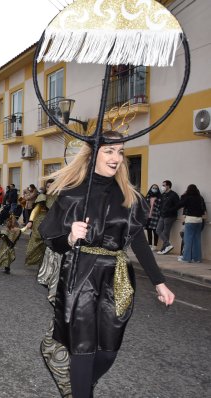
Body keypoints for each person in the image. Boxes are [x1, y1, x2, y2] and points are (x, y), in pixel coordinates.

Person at [38, 131, 175, 398]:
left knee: (108, 351)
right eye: (109, 151)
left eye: (120, 152)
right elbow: (53, 241)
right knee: (83, 347)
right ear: (93, 154)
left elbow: (139, 243)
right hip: (80, 274)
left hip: (117, 276)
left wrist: (160, 282)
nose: (116, 158)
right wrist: (69, 236)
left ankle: (81, 386)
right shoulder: (72, 193)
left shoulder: (129, 197)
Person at [174, 184, 206, 263]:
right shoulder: (200, 198)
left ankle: (186, 258)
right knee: (197, 240)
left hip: (190, 220)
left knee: (187, 240)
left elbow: (179, 204)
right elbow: (204, 209)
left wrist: (183, 196)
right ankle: (197, 259)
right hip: (199, 221)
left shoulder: (188, 198)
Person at [23, 193, 49, 268]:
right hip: (39, 221)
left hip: (51, 221)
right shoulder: (42, 197)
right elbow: (35, 210)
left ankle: (45, 260)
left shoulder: (56, 196)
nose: (49, 187)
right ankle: (34, 258)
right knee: (37, 239)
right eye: (48, 186)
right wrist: (30, 221)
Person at [155, 179, 180, 255]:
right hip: (162, 215)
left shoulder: (174, 195)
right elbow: (161, 205)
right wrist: (160, 211)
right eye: (162, 185)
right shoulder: (163, 195)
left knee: (166, 232)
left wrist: (169, 210)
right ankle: (168, 245)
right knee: (158, 230)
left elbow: (177, 205)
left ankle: (164, 249)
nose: (162, 187)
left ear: (168, 186)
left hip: (170, 216)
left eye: (164, 185)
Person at [145, 184, 162, 249]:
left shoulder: (160, 198)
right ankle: (149, 244)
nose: (154, 189)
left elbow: (160, 207)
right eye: (153, 188)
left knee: (155, 231)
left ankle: (154, 245)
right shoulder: (148, 197)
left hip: (155, 216)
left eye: (156, 188)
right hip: (148, 216)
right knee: (149, 230)